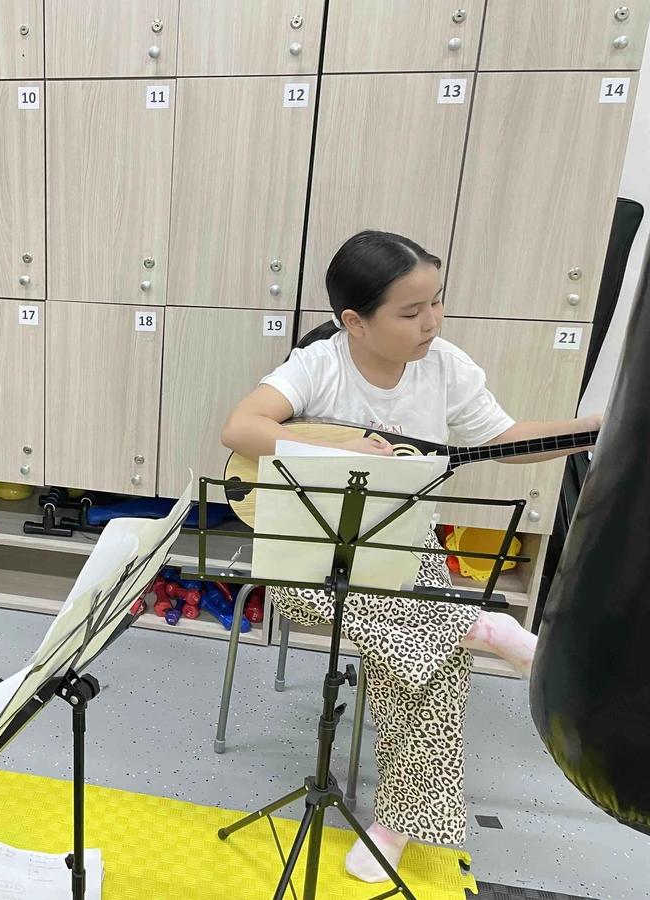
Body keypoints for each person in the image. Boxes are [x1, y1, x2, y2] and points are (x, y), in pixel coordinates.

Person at [221, 230, 600, 883]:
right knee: (422, 624)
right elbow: (242, 427)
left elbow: (506, 439)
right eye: (411, 311)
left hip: (401, 540)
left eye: (437, 302)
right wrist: (342, 452)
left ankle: (396, 822)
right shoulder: (319, 364)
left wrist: (594, 429)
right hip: (310, 552)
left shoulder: (446, 366)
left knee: (433, 664)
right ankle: (477, 626)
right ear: (355, 322)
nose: (432, 322)